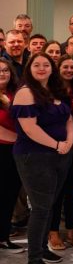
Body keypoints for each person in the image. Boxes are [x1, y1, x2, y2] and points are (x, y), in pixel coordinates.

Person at [11, 53, 73, 264]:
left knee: (49, 204)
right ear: (29, 68)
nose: (41, 68)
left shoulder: (56, 90)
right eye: (36, 65)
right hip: (34, 156)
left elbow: (69, 118)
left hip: (60, 155)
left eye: (45, 65)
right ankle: (33, 258)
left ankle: (42, 248)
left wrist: (68, 142)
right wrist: (57, 145)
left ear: (52, 68)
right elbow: (30, 129)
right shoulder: (26, 93)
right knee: (40, 207)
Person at [49, 54, 73, 249]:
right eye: (65, 67)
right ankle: (53, 232)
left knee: (72, 189)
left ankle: (71, 230)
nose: (69, 70)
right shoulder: (51, 90)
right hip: (56, 145)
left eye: (72, 67)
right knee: (57, 190)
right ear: (58, 68)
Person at [0, 59, 23, 253]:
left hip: (15, 153)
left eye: (6, 70)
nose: (2, 74)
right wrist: (23, 138)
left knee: (10, 195)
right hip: (2, 149)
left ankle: (3, 236)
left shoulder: (15, 93)